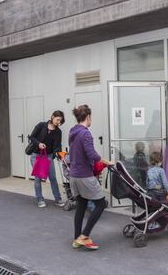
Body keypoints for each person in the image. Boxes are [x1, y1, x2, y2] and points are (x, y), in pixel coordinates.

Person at [69, 105, 113, 250]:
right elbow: (92, 154)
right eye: (91, 117)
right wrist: (108, 162)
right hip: (84, 175)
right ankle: (84, 236)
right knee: (101, 204)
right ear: (88, 117)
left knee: (81, 206)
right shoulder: (85, 133)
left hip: (74, 175)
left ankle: (76, 239)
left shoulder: (72, 131)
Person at [29, 110, 65, 208]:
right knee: (38, 178)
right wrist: (39, 144)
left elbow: (57, 146)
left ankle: (58, 199)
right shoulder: (41, 125)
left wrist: (60, 155)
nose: (58, 122)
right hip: (36, 155)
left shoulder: (58, 132)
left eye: (60, 121)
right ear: (52, 116)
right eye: (57, 120)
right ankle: (40, 199)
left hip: (48, 156)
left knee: (53, 178)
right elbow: (31, 137)